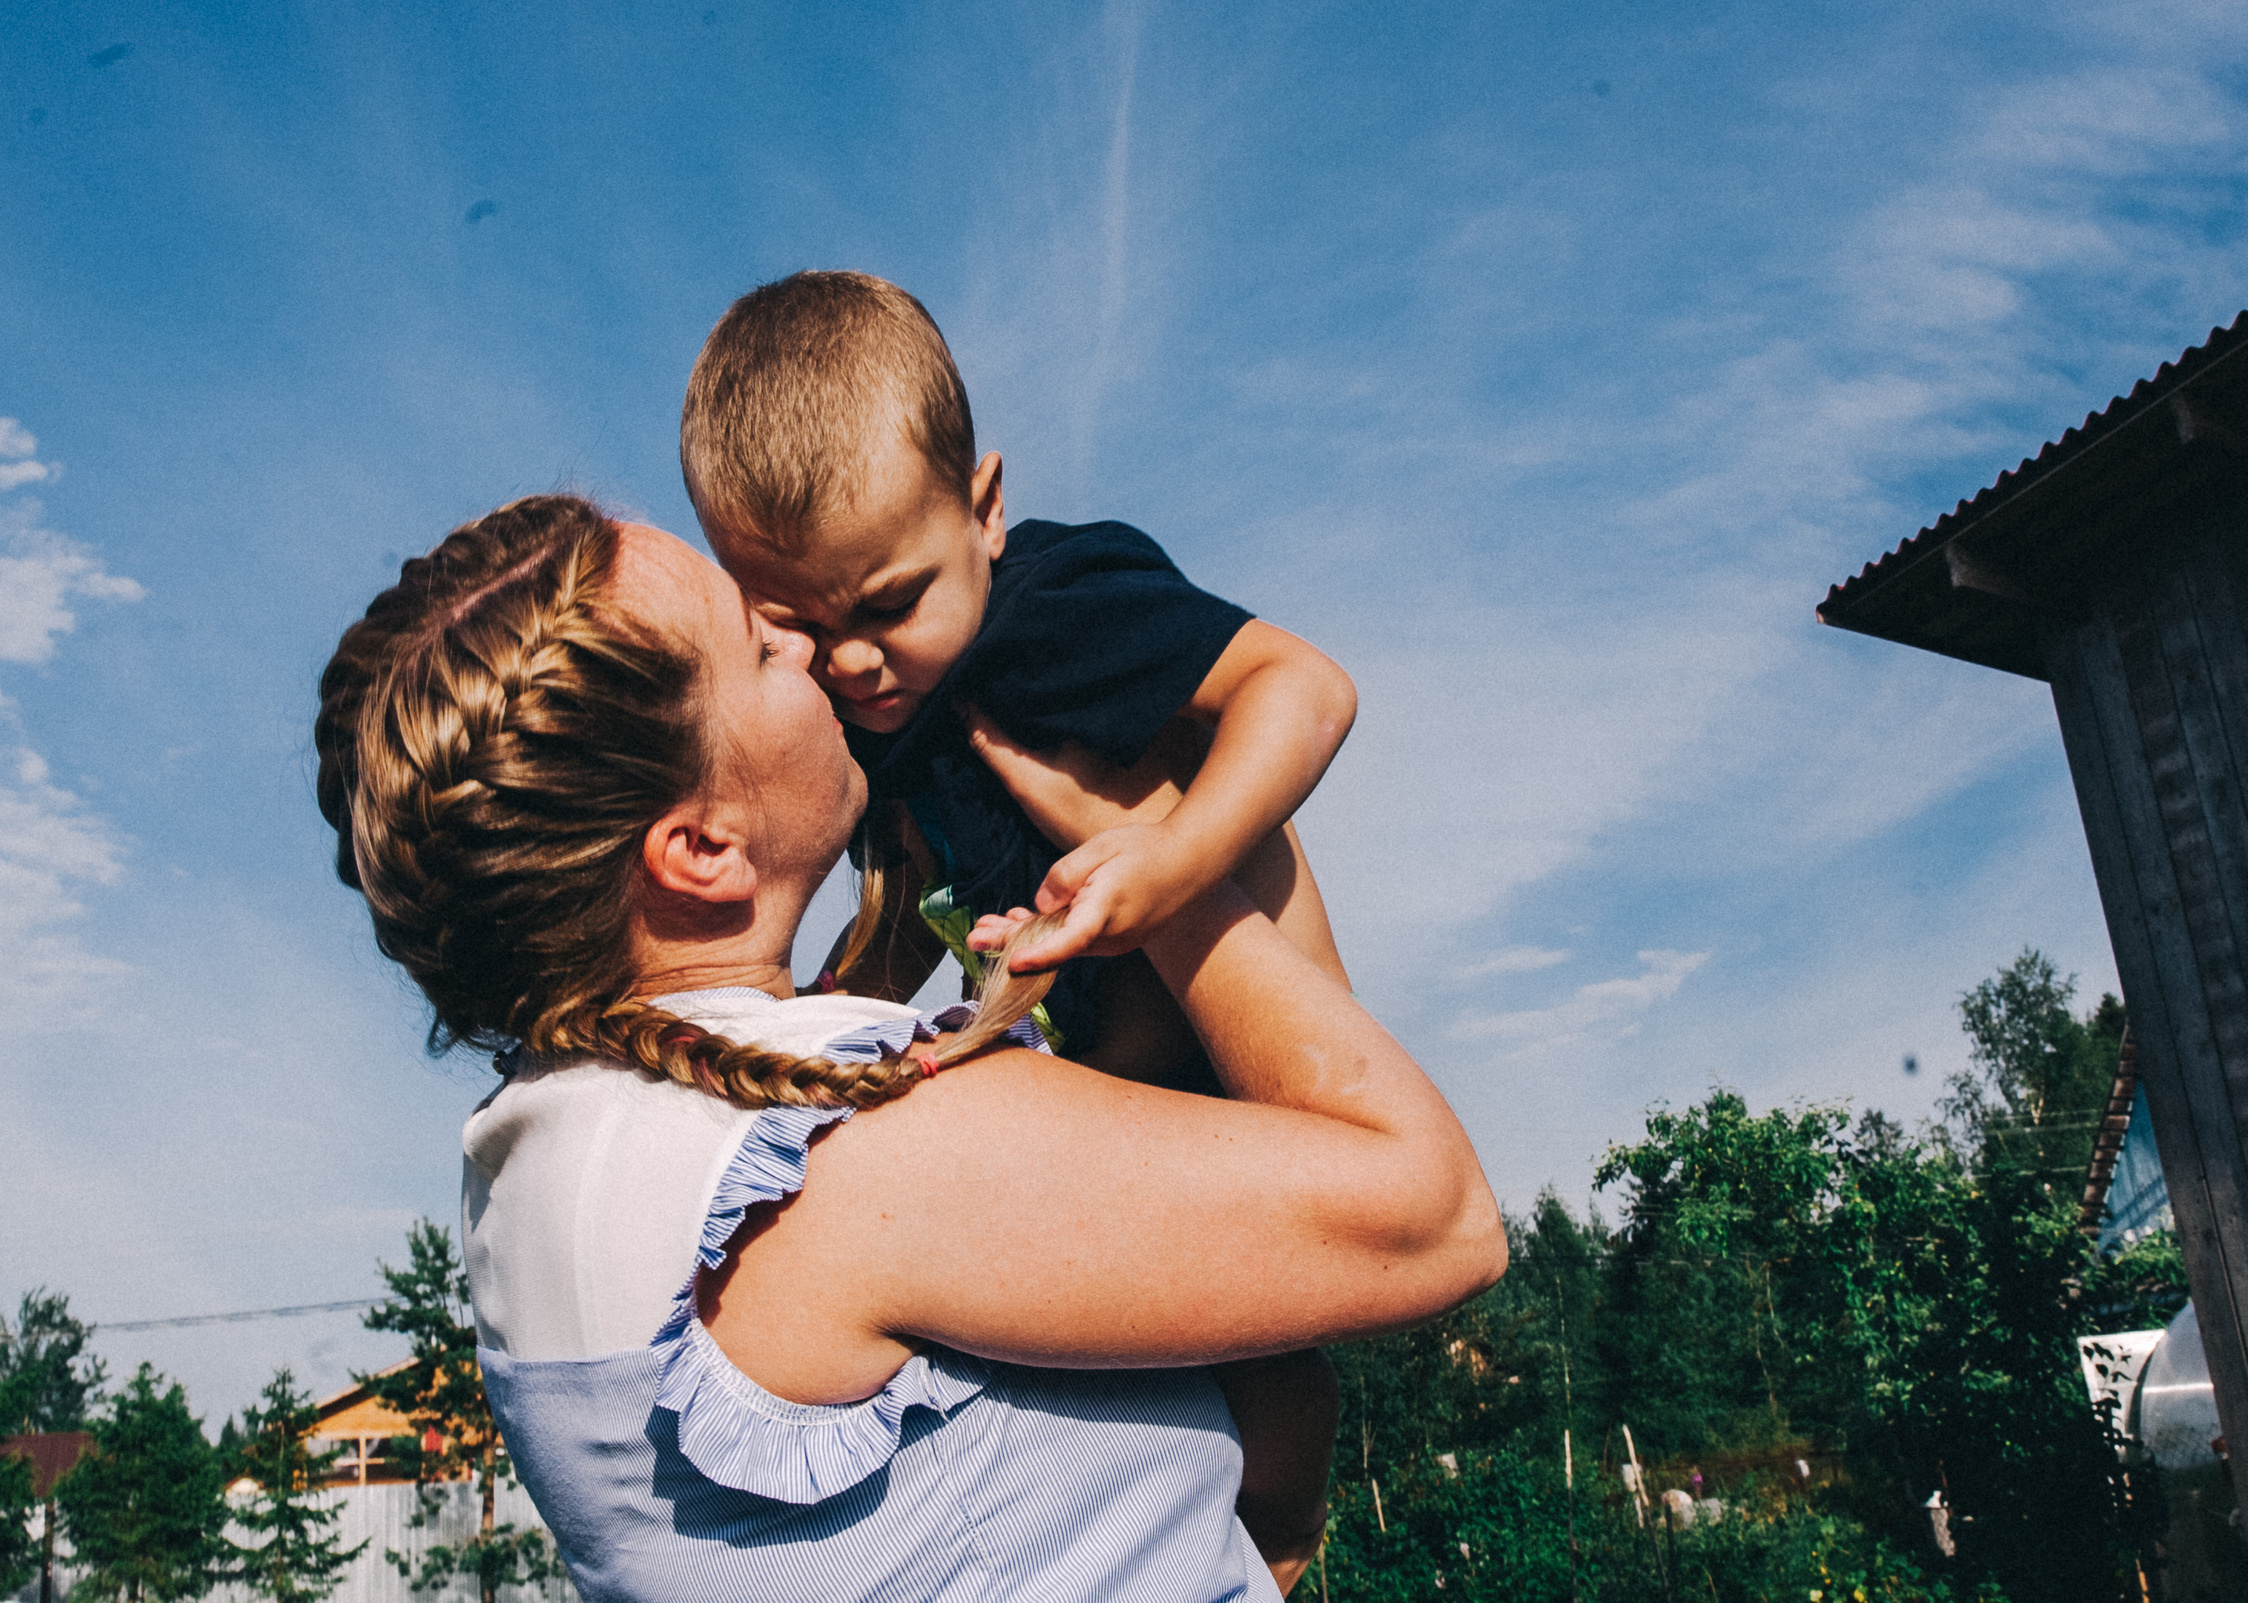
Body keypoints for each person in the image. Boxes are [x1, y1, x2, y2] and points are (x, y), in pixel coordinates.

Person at [314, 494, 1503, 1600]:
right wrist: (1154, 857)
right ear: (703, 847)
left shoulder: (545, 1169)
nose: (813, 653)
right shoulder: (823, 1161)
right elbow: (1435, 1219)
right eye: (759, 646)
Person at [678, 269, 1358, 1558]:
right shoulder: (871, 715)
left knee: (1274, 1385)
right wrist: (814, 1044)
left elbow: (1305, 687)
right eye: (799, 628)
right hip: (1109, 1060)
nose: (857, 660)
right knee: (1147, 1370)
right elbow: (896, 906)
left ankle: (1281, 1548)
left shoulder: (1053, 602)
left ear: (982, 510)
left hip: (1248, 1055)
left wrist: (1168, 855)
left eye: (888, 603)